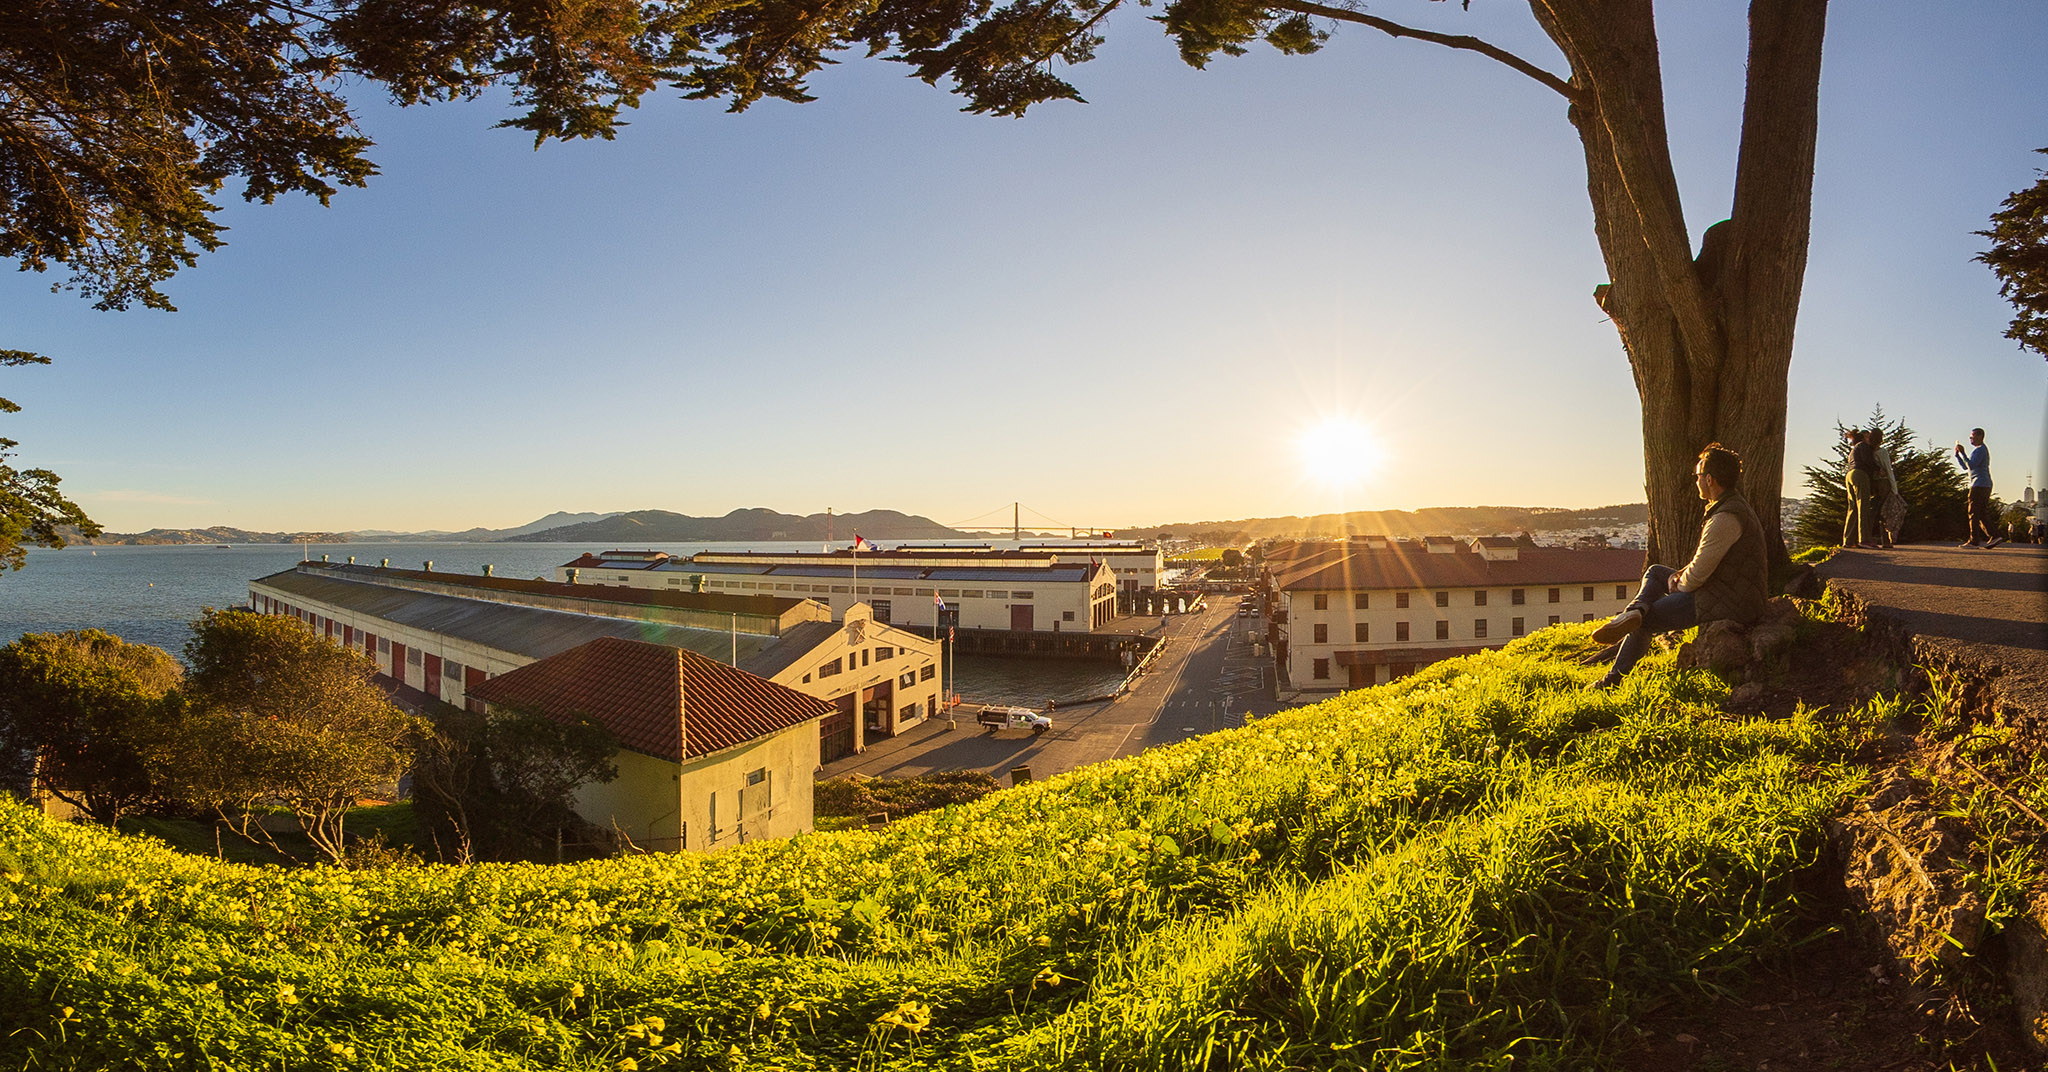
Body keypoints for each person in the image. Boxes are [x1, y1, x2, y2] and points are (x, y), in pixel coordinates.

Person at [1589, 443, 1769, 689]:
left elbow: (1696, 578)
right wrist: (1680, 574)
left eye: (1697, 476)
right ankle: (1635, 611)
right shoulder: (1732, 507)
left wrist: (1679, 583)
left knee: (1648, 619)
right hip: (1728, 590)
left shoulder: (1724, 518)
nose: (1695, 481)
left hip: (1730, 600)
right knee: (1655, 571)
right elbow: (1709, 561)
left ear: (1709, 479)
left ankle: (1612, 680)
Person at [1954, 429, 2000, 548]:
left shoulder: (1980, 450)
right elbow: (1966, 467)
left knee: (1973, 512)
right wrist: (1958, 456)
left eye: (1972, 436)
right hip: (1984, 484)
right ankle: (1994, 536)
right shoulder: (1980, 450)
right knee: (1981, 513)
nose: (1970, 439)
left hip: (1979, 484)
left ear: (1980, 436)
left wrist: (1963, 453)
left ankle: (1974, 541)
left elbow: (1971, 465)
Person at [1843, 428, 1879, 549]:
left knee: (1852, 507)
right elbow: (1868, 461)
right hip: (1860, 474)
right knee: (1863, 505)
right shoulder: (1863, 446)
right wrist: (1879, 469)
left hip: (1850, 475)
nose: (1870, 439)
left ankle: (1848, 540)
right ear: (1864, 437)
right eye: (1868, 436)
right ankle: (1864, 539)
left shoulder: (1853, 450)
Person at [1871, 426, 1907, 548]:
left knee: (1878, 511)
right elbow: (1888, 470)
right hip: (1884, 483)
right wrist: (1894, 489)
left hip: (1873, 484)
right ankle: (1887, 539)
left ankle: (1876, 537)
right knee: (1888, 511)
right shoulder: (1882, 452)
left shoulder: (1869, 452)